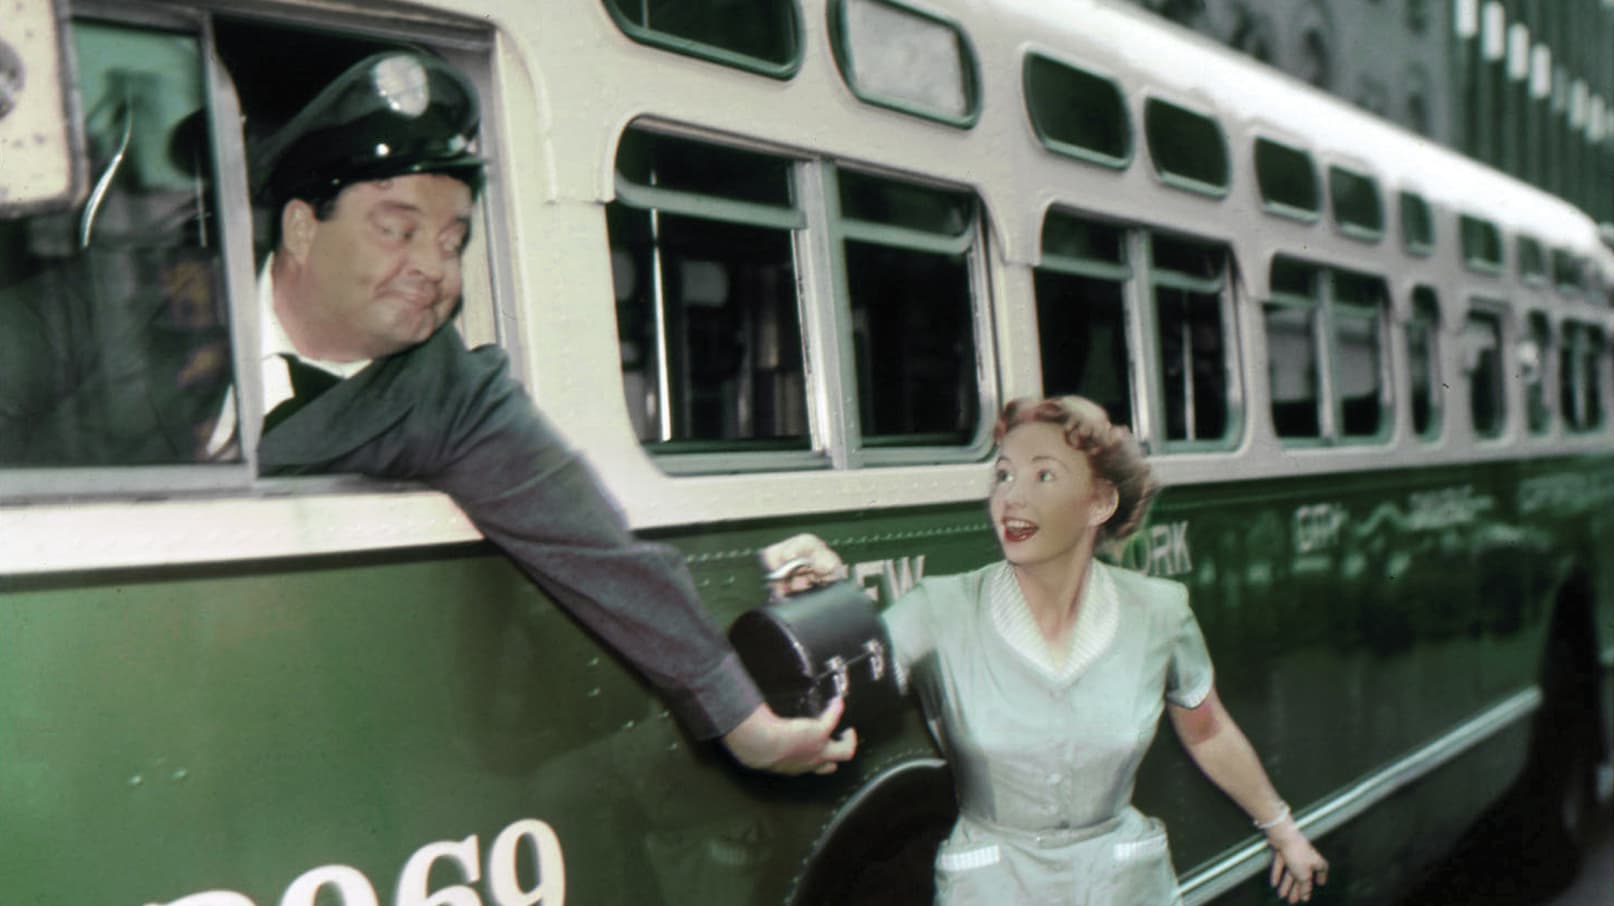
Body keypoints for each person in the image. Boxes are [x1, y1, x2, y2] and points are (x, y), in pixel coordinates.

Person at [0, 48, 853, 776]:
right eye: (397, 229)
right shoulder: (127, 295)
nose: (434, 269)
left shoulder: (446, 390)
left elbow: (594, 546)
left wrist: (744, 722)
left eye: (451, 241)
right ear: (301, 229)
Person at [762, 395, 1328, 904]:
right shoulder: (940, 610)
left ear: (1099, 502)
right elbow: (842, 688)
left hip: (1123, 885)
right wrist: (820, 599)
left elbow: (1208, 732)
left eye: (1044, 475)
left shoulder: (1160, 612)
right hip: (993, 886)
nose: (1012, 497)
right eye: (1004, 475)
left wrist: (1283, 831)